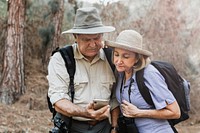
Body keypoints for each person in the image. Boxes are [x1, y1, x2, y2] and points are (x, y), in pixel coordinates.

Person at [47, 7, 119, 133]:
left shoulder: (111, 58)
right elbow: (58, 99)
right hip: (72, 126)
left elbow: (115, 98)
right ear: (76, 37)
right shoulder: (61, 59)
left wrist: (114, 127)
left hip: (104, 127)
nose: (93, 44)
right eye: (86, 39)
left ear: (102, 35)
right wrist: (85, 113)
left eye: (96, 38)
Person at [105, 30, 181, 133]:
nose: (118, 61)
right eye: (116, 54)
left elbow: (175, 112)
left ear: (137, 58)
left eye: (126, 56)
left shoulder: (149, 74)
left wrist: (139, 113)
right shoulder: (120, 73)